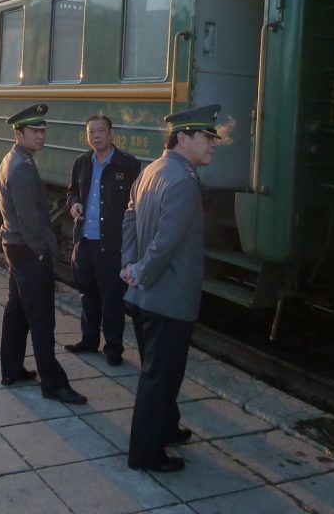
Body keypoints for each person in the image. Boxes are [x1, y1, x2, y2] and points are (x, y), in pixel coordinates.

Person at [121, 104, 220, 472]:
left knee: (160, 373)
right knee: (159, 378)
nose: (213, 144)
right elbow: (168, 242)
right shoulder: (183, 181)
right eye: (206, 137)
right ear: (183, 138)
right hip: (169, 298)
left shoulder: (151, 170)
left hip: (147, 296)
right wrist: (141, 269)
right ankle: (145, 454)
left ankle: (166, 428)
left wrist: (129, 265)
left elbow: (129, 218)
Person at [0, 103, 87, 405]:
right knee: (41, 318)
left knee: (17, 310)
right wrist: (40, 251)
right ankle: (53, 382)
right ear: (19, 133)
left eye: (43, 130)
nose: (41, 135)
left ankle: (11, 369)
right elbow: (29, 219)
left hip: (15, 245)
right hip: (26, 249)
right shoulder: (21, 167)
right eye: (35, 131)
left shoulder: (16, 159)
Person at [65, 115, 141, 366]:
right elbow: (72, 191)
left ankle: (113, 348)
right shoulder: (81, 163)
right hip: (84, 242)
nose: (95, 136)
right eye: (91, 132)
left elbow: (135, 207)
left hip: (111, 244)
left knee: (111, 298)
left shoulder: (128, 165)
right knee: (88, 294)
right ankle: (89, 340)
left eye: (100, 131)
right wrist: (74, 203)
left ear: (111, 133)